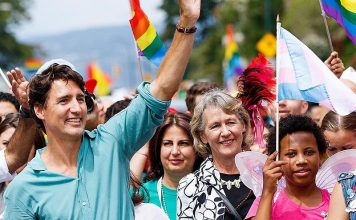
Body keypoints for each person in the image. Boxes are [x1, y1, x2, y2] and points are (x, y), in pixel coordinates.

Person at [3, 0, 201, 218]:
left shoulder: (111, 142)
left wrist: (187, 22)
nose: (76, 108)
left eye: (80, 99)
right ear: (39, 110)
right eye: (64, 101)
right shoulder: (23, 189)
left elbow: (162, 87)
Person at [177, 90, 255, 220]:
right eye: (215, 126)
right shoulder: (190, 185)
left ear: (243, 126)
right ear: (203, 136)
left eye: (230, 122)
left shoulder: (264, 174)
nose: (225, 132)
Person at [246, 115, 329, 220]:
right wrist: (267, 192)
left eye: (309, 152)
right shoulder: (266, 201)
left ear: (320, 156)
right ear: (277, 160)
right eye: (291, 154)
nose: (301, 161)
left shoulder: (336, 201)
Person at [144, 112, 202, 220]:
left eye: (183, 143)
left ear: (197, 149)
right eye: (168, 143)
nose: (175, 151)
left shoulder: (211, 191)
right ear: (158, 149)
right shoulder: (142, 195)